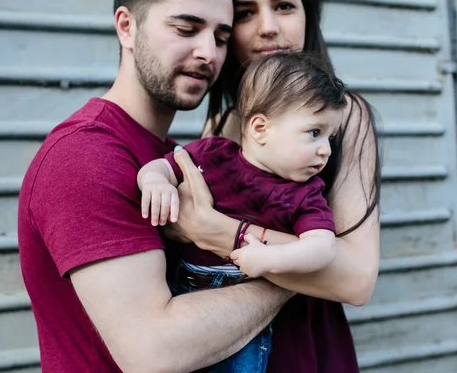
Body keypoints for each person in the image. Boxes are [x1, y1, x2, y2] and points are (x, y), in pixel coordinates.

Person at [17, 0, 296, 372]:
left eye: (220, 37)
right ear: (127, 27)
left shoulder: (171, 157)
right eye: (186, 29)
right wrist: (293, 274)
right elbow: (154, 353)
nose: (208, 54)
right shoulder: (85, 156)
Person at [161, 0, 382, 371]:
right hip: (221, 332)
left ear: (307, 16)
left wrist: (223, 233)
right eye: (247, 13)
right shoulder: (222, 123)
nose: (268, 28)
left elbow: (356, 279)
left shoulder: (347, 114)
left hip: (301, 338)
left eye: (284, 6)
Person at [137, 52, 346, 372]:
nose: (326, 150)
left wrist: (271, 260)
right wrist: (156, 181)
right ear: (260, 128)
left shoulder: (305, 194)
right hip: (179, 294)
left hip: (240, 306)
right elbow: (160, 167)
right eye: (315, 133)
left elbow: (322, 246)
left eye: (330, 137)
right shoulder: (212, 153)